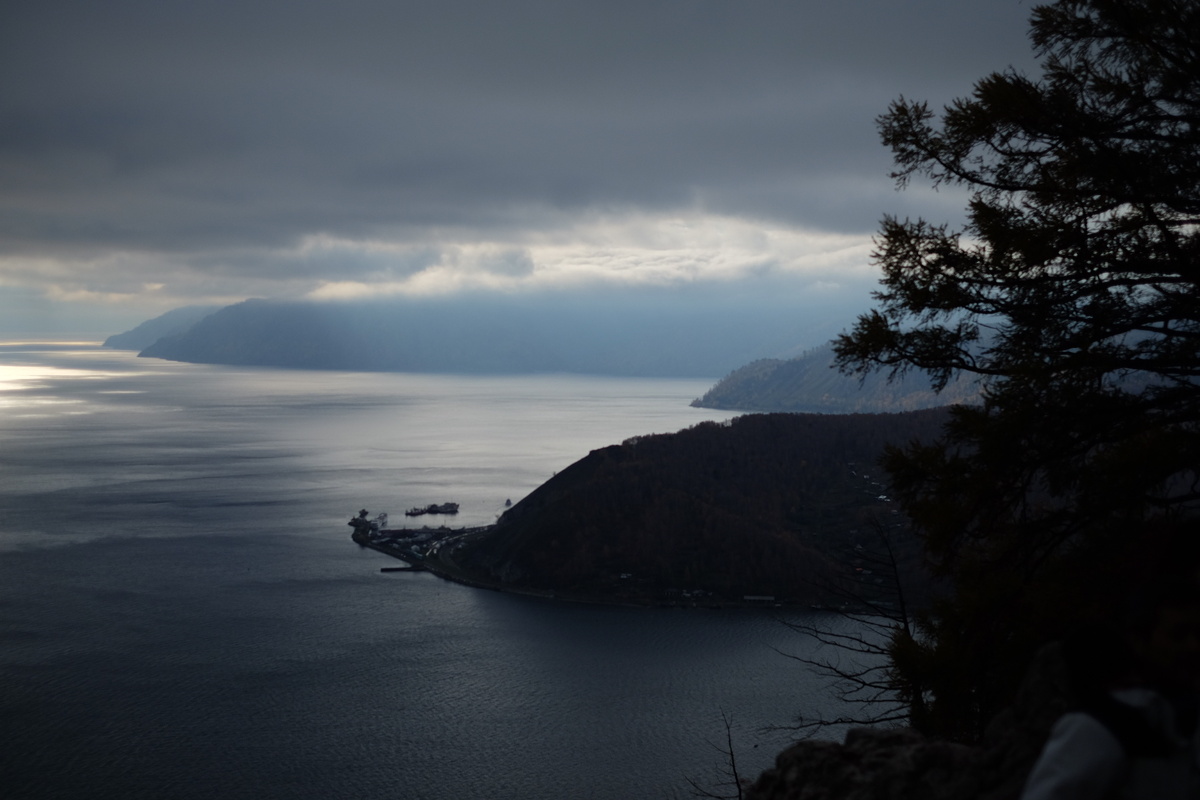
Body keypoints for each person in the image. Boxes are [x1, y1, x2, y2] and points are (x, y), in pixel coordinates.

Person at [1021, 578, 1200, 799]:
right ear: (1139, 642)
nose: (1194, 647)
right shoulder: (1099, 728)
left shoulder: (1181, 722)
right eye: (1178, 636)